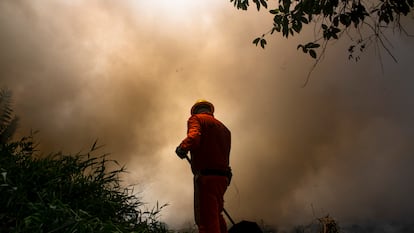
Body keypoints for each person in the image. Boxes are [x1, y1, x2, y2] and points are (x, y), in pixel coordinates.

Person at [175, 99, 232, 233]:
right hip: (223, 179)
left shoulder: (196, 119)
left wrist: (182, 147)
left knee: (206, 221)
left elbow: (194, 137)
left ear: (195, 110)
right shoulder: (224, 128)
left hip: (206, 178)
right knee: (216, 215)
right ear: (210, 110)